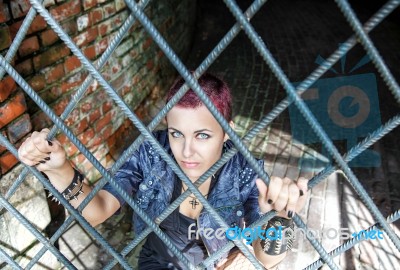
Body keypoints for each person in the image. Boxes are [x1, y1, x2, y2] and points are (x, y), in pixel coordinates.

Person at [18, 73, 308, 269]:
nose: (186, 151)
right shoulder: (151, 151)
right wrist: (60, 170)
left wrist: (280, 219)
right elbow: (98, 210)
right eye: (176, 133)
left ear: (227, 133)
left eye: (203, 135)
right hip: (158, 258)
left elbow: (266, 261)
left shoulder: (246, 169)